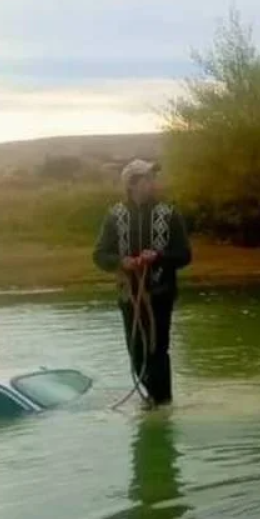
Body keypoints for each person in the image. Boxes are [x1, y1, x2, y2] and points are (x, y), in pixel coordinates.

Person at [93, 160, 192, 406]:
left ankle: (162, 403)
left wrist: (158, 257)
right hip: (129, 296)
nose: (152, 183)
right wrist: (121, 262)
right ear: (132, 184)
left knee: (158, 351)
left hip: (160, 293)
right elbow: (100, 254)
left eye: (152, 178)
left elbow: (184, 255)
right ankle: (155, 400)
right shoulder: (114, 216)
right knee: (136, 353)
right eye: (146, 178)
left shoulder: (169, 214)